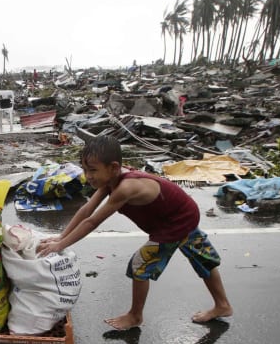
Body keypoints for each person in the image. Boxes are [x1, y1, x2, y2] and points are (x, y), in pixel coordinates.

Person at [37, 135, 232, 330]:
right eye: (85, 170)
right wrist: (61, 237)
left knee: (140, 265)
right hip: (182, 215)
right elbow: (87, 209)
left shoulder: (126, 187)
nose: (88, 176)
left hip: (175, 223)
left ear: (114, 167)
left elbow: (92, 221)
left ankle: (135, 316)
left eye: (93, 170)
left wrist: (61, 245)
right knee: (202, 258)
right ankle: (223, 305)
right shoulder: (110, 180)